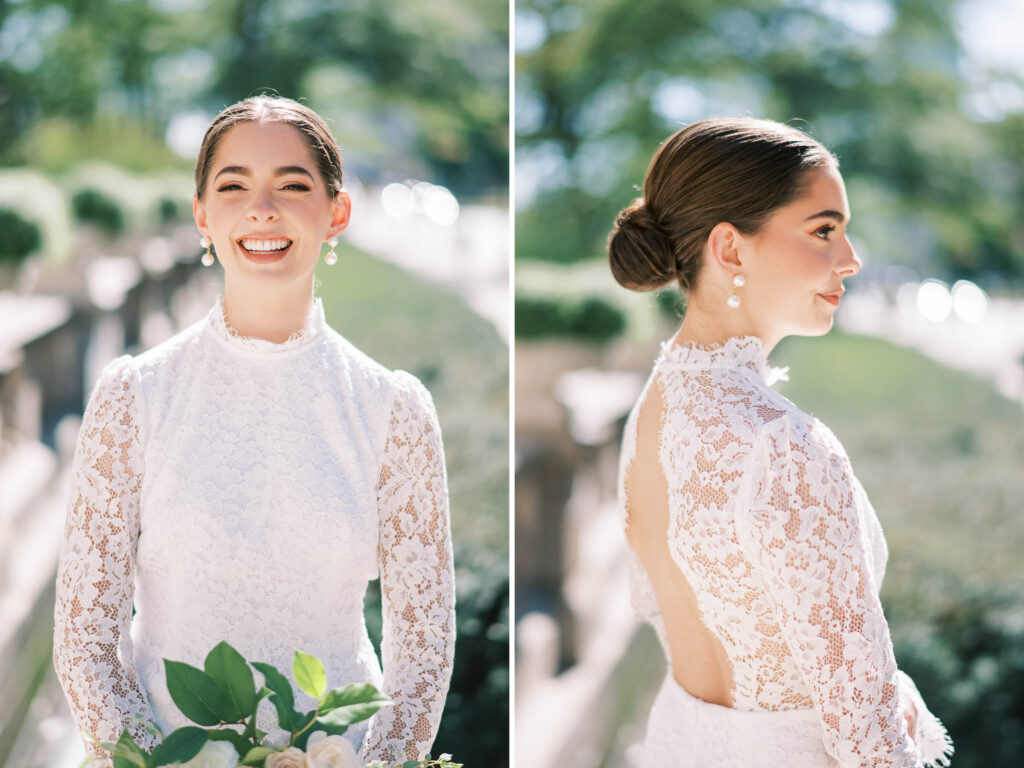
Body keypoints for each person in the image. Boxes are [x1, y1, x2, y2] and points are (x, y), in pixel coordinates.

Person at [52, 95, 455, 766]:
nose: (261, 209)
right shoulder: (134, 398)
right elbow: (84, 638)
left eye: (292, 186)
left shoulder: (394, 410)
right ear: (203, 216)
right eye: (234, 185)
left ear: (337, 213)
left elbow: (423, 652)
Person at [607, 118, 952, 767]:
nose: (851, 258)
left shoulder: (650, 411)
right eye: (824, 230)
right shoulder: (784, 446)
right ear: (731, 250)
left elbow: (659, 613)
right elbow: (869, 743)